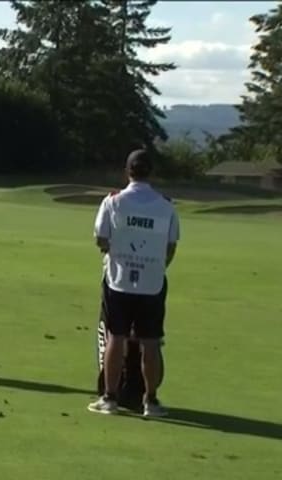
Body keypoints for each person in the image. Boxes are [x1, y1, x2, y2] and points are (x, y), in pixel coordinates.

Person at [87, 149, 180, 417]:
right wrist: (157, 265)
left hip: (118, 280)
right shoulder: (166, 205)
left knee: (115, 336)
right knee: (150, 341)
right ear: (151, 172)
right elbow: (171, 246)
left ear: (127, 171)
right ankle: (150, 401)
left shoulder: (113, 202)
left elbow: (100, 238)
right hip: (152, 282)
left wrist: (115, 254)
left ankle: (110, 398)